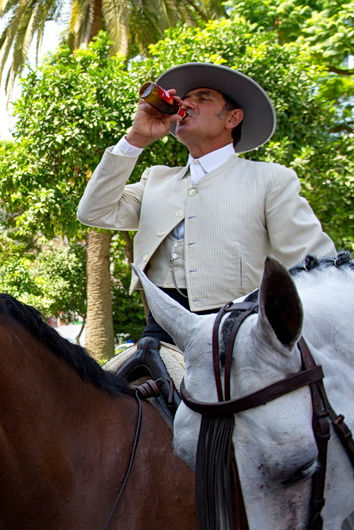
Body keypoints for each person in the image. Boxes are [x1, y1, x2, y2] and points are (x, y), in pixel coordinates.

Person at [77, 62, 335, 344]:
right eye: (185, 98)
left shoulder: (270, 179)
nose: (186, 104)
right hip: (162, 333)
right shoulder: (156, 179)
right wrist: (135, 139)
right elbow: (94, 212)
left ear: (232, 118)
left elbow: (317, 266)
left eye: (203, 97)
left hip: (240, 334)